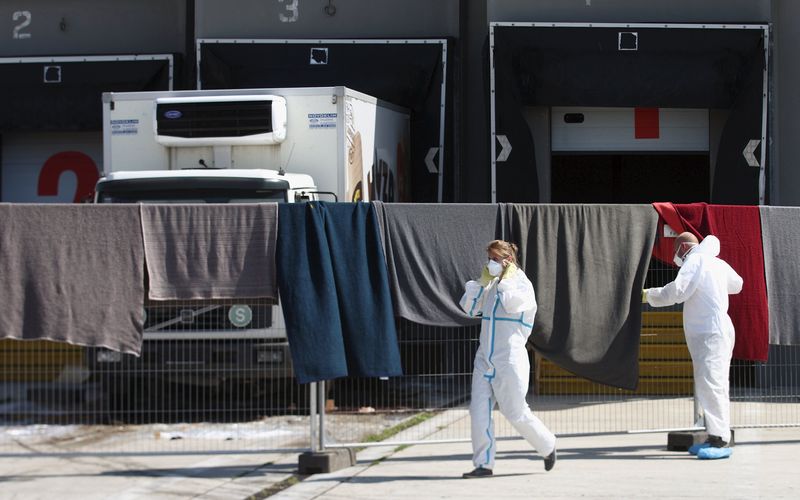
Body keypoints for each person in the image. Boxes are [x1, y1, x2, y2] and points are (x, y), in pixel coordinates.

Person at [459, 240, 556, 478]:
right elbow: (469, 309)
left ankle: (547, 445)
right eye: (489, 258)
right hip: (485, 358)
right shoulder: (491, 284)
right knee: (479, 410)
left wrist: (507, 281)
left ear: (508, 261)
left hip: (510, 359)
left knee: (515, 412)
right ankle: (484, 463)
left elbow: (513, 305)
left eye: (494, 259)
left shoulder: (522, 285)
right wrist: (480, 285)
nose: (490, 263)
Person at [643, 232, 743, 456]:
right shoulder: (716, 263)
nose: (674, 258)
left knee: (711, 385)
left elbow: (677, 291)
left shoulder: (695, 260)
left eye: (675, 252)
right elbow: (737, 284)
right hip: (719, 329)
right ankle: (716, 436)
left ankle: (720, 441)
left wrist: (648, 295)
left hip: (709, 332)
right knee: (714, 384)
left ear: (682, 248)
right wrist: (713, 283)